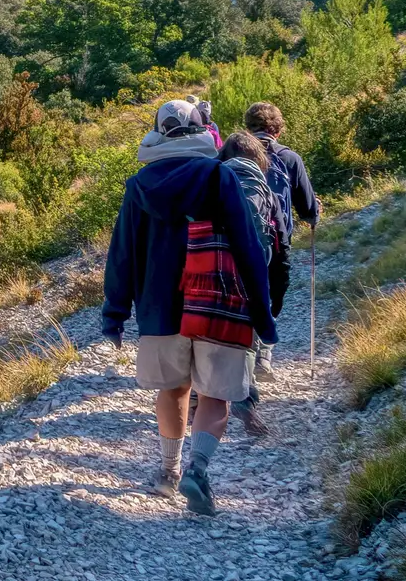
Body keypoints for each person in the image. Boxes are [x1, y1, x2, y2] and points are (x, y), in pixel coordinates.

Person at [103, 99, 277, 516]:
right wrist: (262, 315)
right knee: (215, 395)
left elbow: (122, 253)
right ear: (203, 131)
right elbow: (248, 246)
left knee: (173, 389)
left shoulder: (139, 186)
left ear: (158, 135)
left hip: (158, 309)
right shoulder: (219, 176)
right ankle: (198, 469)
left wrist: (115, 313)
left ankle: (168, 471)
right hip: (218, 304)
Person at [243, 102, 319, 382]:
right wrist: (314, 215)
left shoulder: (230, 156)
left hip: (235, 239)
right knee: (273, 295)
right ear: (277, 128)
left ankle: (242, 355)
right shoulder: (289, 158)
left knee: (241, 294)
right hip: (276, 240)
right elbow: (307, 207)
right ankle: (263, 353)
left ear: (248, 127)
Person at [217, 131, 278, 436]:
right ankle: (245, 399)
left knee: (208, 334)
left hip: (213, 266)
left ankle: (200, 401)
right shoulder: (264, 186)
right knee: (247, 338)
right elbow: (279, 243)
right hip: (251, 270)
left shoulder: (212, 179)